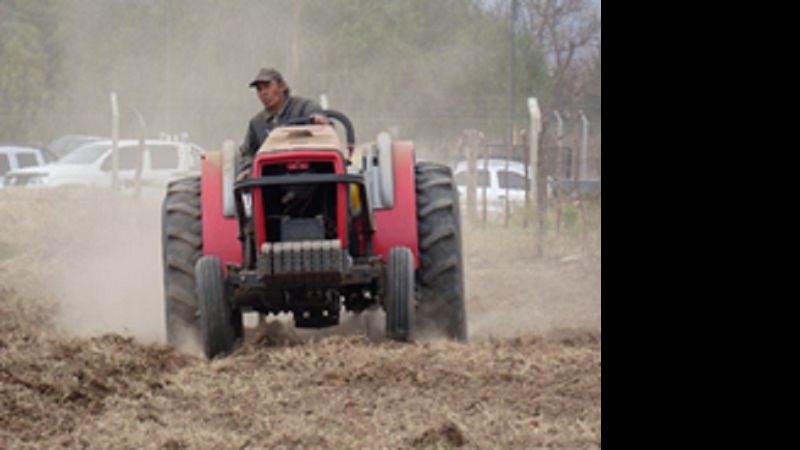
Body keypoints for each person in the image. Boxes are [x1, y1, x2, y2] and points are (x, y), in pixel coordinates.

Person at [239, 68, 329, 176]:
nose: (264, 93)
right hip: (273, 182)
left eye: (267, 86)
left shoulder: (306, 108)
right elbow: (247, 152)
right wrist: (249, 169)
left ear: (282, 86)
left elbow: (327, 136)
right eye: (259, 89)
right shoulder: (256, 123)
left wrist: (323, 125)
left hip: (310, 175)